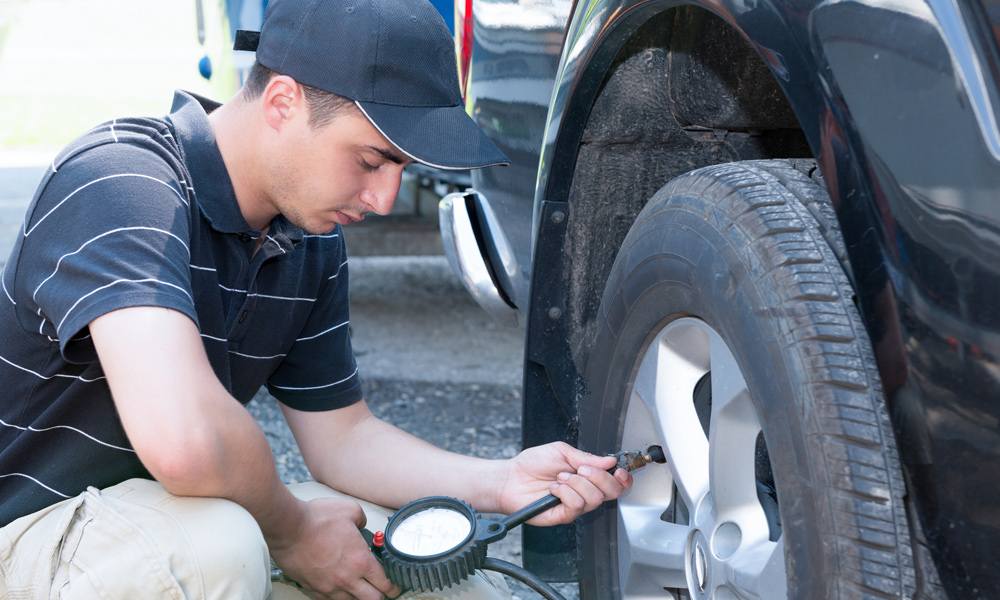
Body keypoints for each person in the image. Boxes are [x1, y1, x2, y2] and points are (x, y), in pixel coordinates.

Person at [0, 0, 632, 598]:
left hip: (165, 525)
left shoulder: (305, 239)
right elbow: (186, 441)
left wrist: (500, 481)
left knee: (429, 569)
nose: (385, 198)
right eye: (371, 160)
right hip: (30, 534)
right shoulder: (121, 183)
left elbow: (343, 439)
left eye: (403, 170)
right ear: (283, 102)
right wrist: (294, 530)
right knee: (214, 549)